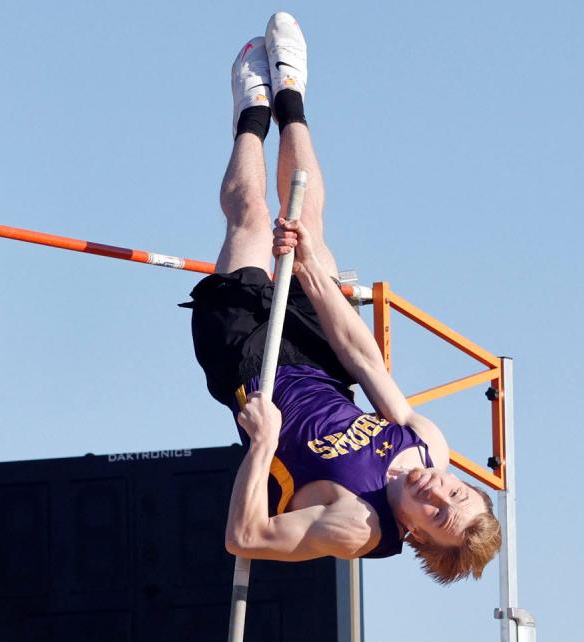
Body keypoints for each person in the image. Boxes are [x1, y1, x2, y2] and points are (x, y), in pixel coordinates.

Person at [181, 12, 501, 583]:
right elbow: (363, 360)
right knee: (307, 227)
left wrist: (262, 443)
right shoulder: (428, 448)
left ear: (419, 539)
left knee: (253, 219)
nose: (438, 491)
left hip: (250, 372)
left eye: (438, 513)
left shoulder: (359, 526)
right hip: (322, 362)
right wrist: (306, 266)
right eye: (456, 491)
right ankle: (291, 98)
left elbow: (245, 537)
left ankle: (249, 118)